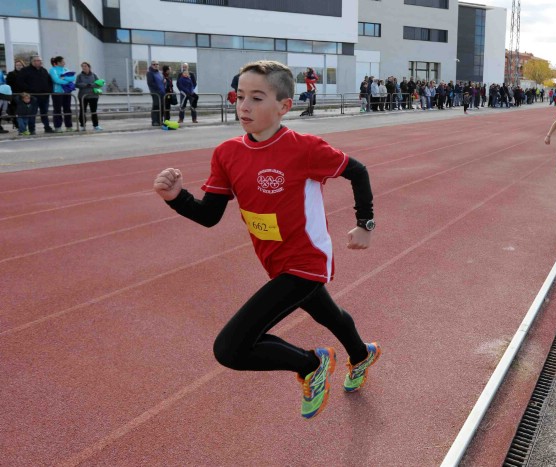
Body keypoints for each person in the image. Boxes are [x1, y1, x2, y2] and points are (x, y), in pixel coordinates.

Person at [152, 60, 381, 420]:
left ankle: (310, 364)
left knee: (230, 348)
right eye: (240, 96)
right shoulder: (227, 154)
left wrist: (365, 224)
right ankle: (361, 354)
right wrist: (176, 198)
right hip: (274, 260)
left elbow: (358, 171)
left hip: (306, 261)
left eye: (257, 98)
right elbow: (210, 215)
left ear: (284, 106)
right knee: (329, 314)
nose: (244, 106)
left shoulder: (304, 148)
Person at [16, 55, 54, 133]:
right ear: (33, 62)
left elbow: (49, 81)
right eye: (38, 60)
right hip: (32, 96)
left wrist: (49, 91)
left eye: (40, 60)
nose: (40, 62)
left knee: (44, 113)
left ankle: (47, 128)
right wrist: (30, 90)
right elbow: (20, 82)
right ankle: (32, 129)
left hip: (44, 96)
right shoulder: (25, 70)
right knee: (32, 113)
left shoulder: (44, 70)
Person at [49, 56, 76, 132]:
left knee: (67, 109)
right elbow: (56, 80)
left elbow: (73, 78)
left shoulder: (66, 69)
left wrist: (64, 78)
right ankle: (58, 127)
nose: (64, 63)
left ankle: (69, 126)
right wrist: (66, 80)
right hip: (57, 92)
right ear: (58, 63)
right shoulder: (52, 70)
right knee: (57, 110)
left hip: (67, 92)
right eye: (63, 61)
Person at [75, 61, 103, 131]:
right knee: (82, 111)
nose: (84, 68)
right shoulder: (79, 76)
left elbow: (98, 84)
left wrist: (91, 85)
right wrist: (85, 85)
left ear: (89, 67)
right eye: (82, 66)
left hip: (93, 96)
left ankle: (96, 125)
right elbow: (77, 84)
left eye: (85, 66)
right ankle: (82, 125)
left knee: (93, 111)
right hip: (83, 96)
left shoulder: (94, 75)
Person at [6, 60, 25, 130]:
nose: (19, 66)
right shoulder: (11, 74)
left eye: (20, 65)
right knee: (16, 110)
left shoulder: (25, 74)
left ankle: (22, 124)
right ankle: (18, 124)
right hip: (14, 94)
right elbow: (9, 84)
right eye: (17, 65)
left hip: (24, 94)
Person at [146, 60, 165, 127]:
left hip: (162, 92)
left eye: (157, 64)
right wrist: (158, 89)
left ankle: (160, 120)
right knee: (156, 106)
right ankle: (154, 121)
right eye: (154, 64)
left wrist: (164, 81)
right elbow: (150, 83)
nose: (156, 65)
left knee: (162, 107)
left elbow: (162, 81)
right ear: (151, 65)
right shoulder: (150, 73)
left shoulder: (160, 73)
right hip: (155, 92)